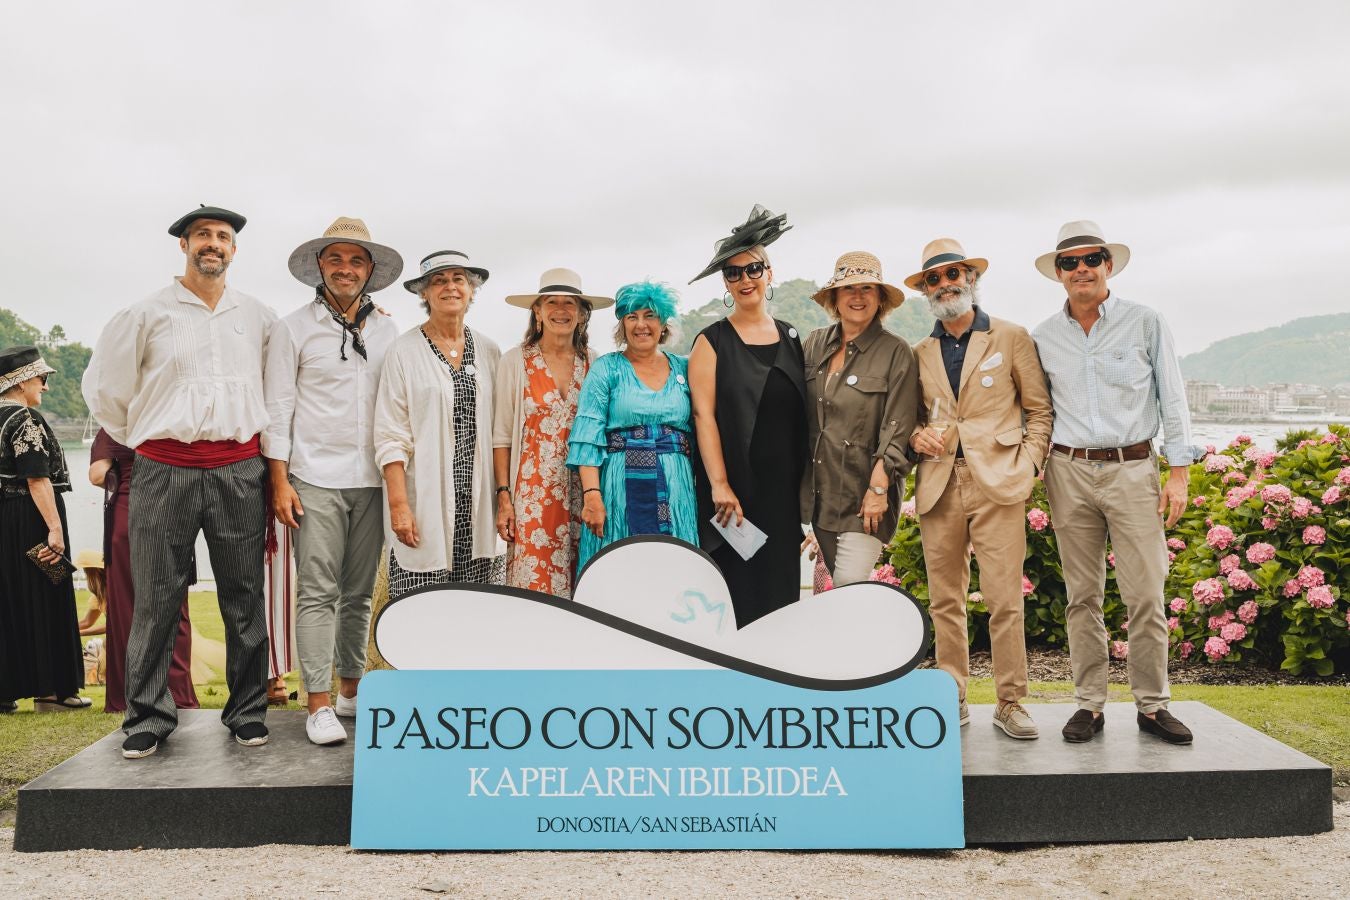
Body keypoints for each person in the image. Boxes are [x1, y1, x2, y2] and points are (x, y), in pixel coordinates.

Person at [83, 204, 276, 758]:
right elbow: (107, 393)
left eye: (222, 236)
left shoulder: (258, 317)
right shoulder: (144, 315)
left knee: (244, 596)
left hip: (239, 469)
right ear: (183, 246)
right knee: (157, 596)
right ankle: (148, 714)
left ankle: (246, 710)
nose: (212, 244)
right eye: (201, 236)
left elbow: (274, 391)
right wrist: (154, 441)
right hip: (163, 468)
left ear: (234, 250)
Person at [1031, 220, 1201, 745]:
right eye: (1069, 262)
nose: (1081, 269)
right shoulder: (1042, 336)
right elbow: (1036, 410)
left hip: (1133, 470)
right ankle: (1089, 704)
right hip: (1068, 471)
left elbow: (1172, 398)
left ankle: (1152, 705)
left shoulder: (1145, 322)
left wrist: (1178, 472)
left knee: (1145, 593)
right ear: (1058, 274)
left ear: (1108, 265)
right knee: (1081, 596)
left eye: (1091, 258)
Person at [905, 239, 1052, 740]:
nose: (946, 284)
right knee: (945, 599)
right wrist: (914, 435)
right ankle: (954, 695)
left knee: (1004, 599)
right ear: (926, 290)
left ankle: (1010, 702)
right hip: (939, 484)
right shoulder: (918, 352)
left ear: (971, 279)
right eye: (934, 279)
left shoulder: (1010, 337)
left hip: (999, 484)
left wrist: (1030, 464)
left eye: (953, 275)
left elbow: (1039, 411)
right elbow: (910, 420)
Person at [264, 217, 403, 746]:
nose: (347, 268)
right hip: (314, 476)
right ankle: (316, 701)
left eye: (357, 260)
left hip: (372, 477)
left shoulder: (389, 329)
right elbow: (277, 408)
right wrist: (280, 481)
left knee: (360, 591)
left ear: (370, 271)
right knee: (317, 592)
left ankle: (351, 690)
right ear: (320, 266)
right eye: (337, 259)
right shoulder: (292, 328)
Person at [688, 205, 807, 628]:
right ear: (725, 283)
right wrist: (719, 483)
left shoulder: (793, 336)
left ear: (769, 273)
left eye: (753, 269)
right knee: (736, 599)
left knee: (781, 597)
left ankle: (776, 686)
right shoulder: (710, 341)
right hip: (733, 494)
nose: (745, 280)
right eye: (734, 273)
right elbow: (704, 417)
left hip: (782, 495)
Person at [375, 251, 504, 597]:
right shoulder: (403, 351)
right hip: (425, 504)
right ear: (423, 293)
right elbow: (390, 435)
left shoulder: (490, 351)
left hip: (478, 506)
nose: (450, 287)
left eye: (459, 279)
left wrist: (505, 497)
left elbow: (501, 433)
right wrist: (399, 506)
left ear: (472, 290)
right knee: (420, 614)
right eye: (439, 281)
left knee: (478, 612)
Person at [800, 251, 918, 587]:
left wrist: (879, 488)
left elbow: (898, 425)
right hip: (817, 500)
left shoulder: (896, 352)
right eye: (849, 288)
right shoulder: (813, 343)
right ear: (834, 297)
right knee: (827, 595)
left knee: (849, 591)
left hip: (864, 500)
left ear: (879, 298)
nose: (858, 296)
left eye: (867, 288)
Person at [566, 281, 698, 571]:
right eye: (631, 317)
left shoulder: (684, 368)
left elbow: (705, 424)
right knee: (617, 571)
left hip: (676, 488)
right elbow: (588, 434)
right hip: (617, 491)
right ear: (622, 325)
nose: (641, 325)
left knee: (674, 570)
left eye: (649, 315)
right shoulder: (606, 368)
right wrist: (592, 496)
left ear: (663, 323)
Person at [493, 268, 610, 597]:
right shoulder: (515, 362)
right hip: (532, 498)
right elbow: (501, 437)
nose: (561, 310)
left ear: (582, 313)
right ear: (537, 311)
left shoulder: (594, 363)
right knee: (534, 593)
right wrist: (504, 498)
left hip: (584, 493)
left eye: (570, 303)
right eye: (551, 302)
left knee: (585, 588)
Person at [0, 345, 89, 713]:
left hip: (4, 519)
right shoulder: (25, 420)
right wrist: (54, 528)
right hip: (30, 516)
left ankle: (6, 690)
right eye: (42, 378)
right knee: (46, 593)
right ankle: (53, 690)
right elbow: (37, 479)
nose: (45, 387)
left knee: (8, 599)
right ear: (22, 382)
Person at [89, 428, 198, 713]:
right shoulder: (170, 420)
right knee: (174, 605)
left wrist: (126, 472)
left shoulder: (114, 424)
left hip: (128, 507)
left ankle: (130, 693)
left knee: (127, 606)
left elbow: (97, 474)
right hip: (172, 507)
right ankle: (176, 691)